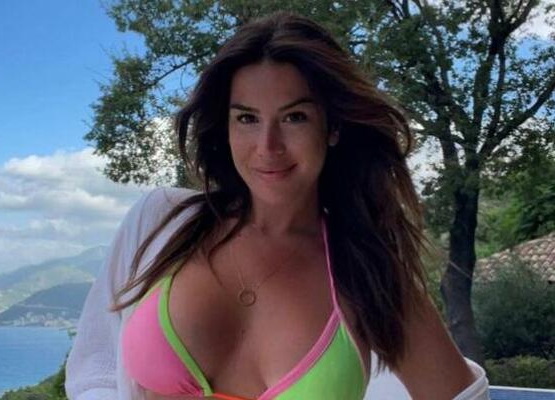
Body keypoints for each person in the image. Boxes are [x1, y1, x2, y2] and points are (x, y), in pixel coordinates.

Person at [65, 11, 490, 400]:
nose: (267, 147)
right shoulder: (163, 221)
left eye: (294, 117)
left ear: (332, 127)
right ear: (226, 126)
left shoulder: (369, 272)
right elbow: (95, 369)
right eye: (247, 118)